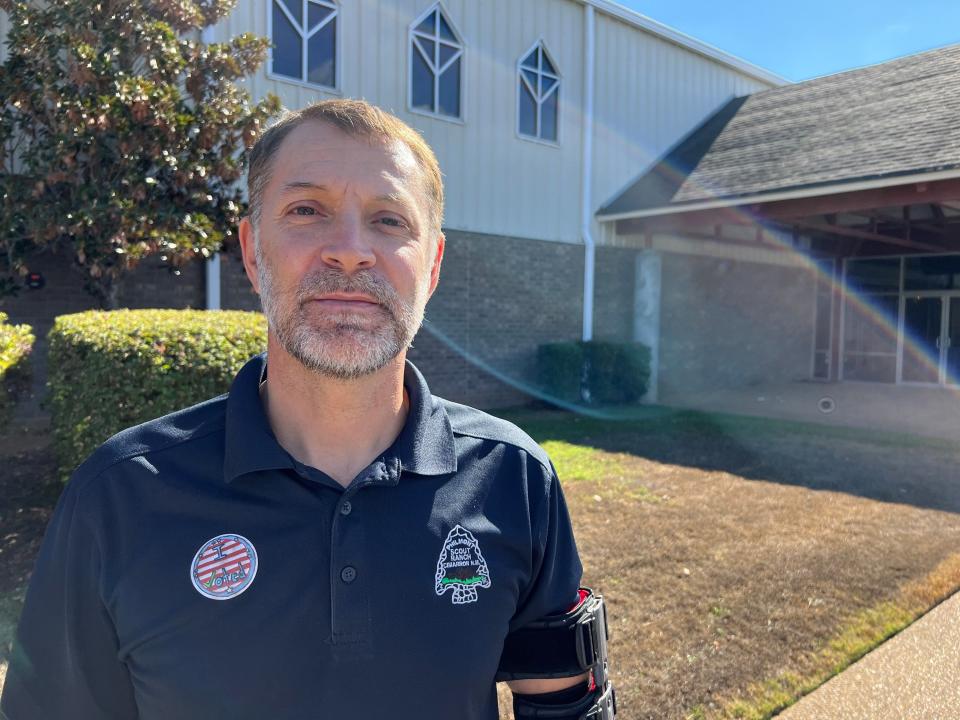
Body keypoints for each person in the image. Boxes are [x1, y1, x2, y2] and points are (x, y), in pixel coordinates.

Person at [1, 99, 612, 719]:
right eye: (306, 211)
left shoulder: (514, 477)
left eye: (389, 220)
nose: (349, 252)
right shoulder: (119, 496)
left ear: (431, 266)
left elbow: (565, 703)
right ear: (252, 250)